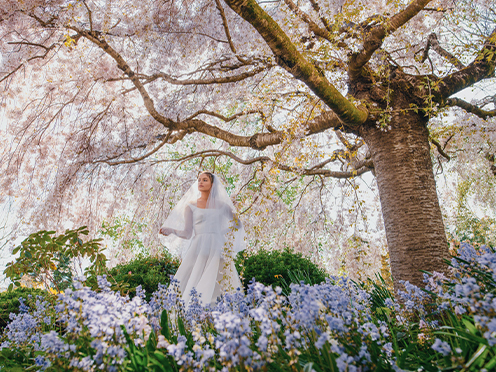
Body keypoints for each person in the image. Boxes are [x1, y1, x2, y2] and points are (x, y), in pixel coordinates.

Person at [159, 172, 245, 306]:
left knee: (220, 281)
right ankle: (193, 312)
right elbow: (188, 234)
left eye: (205, 180)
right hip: (198, 248)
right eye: (199, 179)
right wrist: (172, 231)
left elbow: (238, 224)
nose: (200, 182)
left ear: (212, 184)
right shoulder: (191, 206)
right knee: (194, 279)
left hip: (217, 248)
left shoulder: (222, 205)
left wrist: (221, 232)